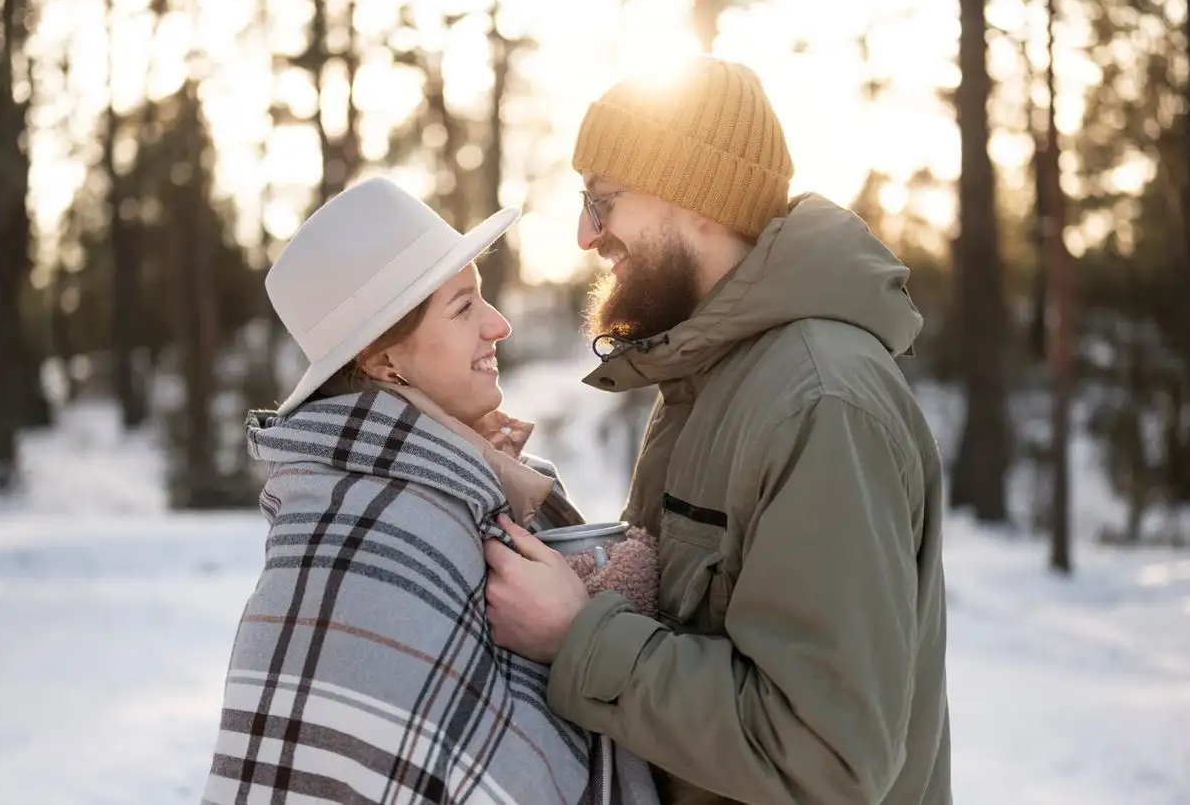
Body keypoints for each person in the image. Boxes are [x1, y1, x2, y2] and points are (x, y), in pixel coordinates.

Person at [483, 56, 952, 805]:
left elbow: (822, 757)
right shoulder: (710, 379)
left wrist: (581, 639)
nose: (584, 234)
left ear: (694, 196)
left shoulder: (818, 402)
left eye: (603, 199)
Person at [200, 176, 660, 805]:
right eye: (463, 306)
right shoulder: (375, 527)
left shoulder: (446, 487)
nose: (498, 325)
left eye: (483, 298)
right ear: (384, 362)